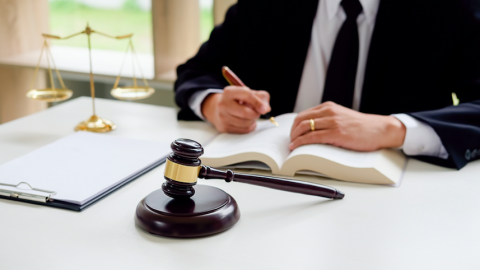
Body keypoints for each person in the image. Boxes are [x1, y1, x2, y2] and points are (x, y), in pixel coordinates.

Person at [174, 0, 480, 169]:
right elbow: (197, 70)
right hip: (263, 180)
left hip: (394, 200)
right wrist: (214, 103)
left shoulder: (452, 8)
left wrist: (391, 129)